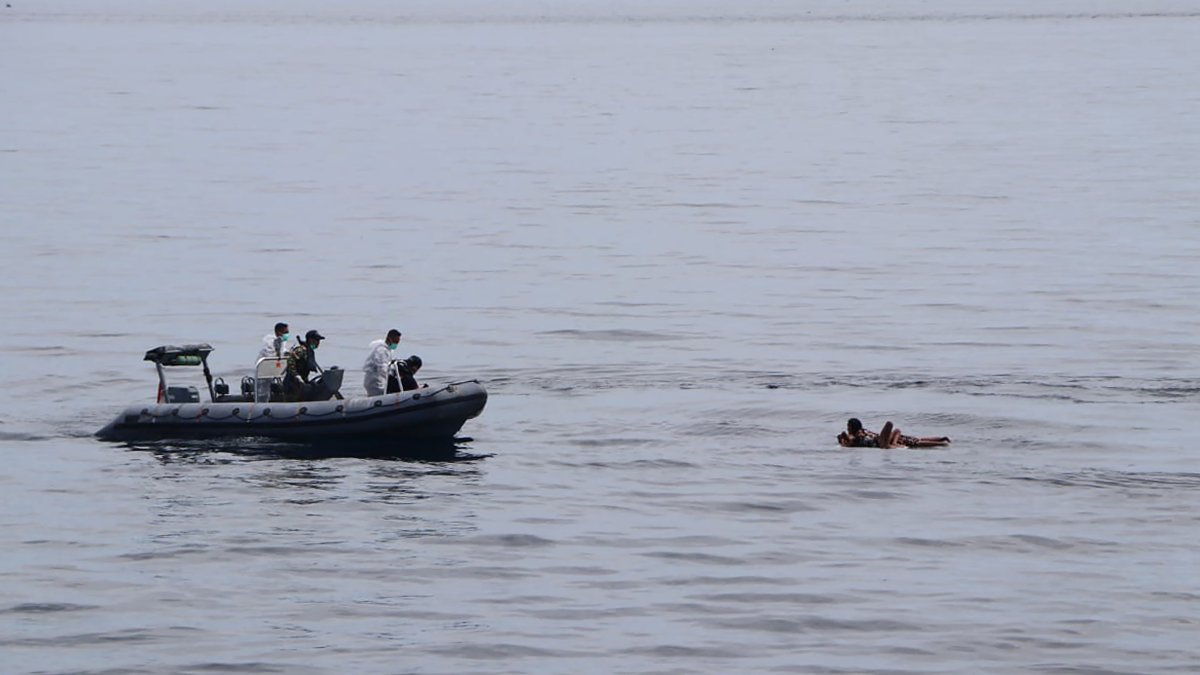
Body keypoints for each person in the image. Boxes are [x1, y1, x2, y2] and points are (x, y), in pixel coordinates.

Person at [837, 417, 950, 449]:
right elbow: (843, 436)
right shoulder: (862, 432)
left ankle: (941, 442)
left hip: (882, 440)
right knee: (916, 441)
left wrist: (844, 440)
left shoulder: (859, 434)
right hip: (886, 439)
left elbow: (844, 436)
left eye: (848, 427)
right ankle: (941, 441)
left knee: (916, 442)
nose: (847, 429)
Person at [284, 329, 325, 402]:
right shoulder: (301, 350)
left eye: (318, 341)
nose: (318, 343)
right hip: (293, 382)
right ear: (310, 340)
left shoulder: (309, 351)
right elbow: (290, 361)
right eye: (316, 340)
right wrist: (296, 375)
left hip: (303, 381)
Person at [362, 329, 402, 396]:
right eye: (395, 342)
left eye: (397, 343)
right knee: (380, 394)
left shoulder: (388, 350)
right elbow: (383, 368)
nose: (396, 345)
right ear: (389, 339)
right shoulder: (381, 351)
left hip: (380, 378)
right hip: (374, 380)